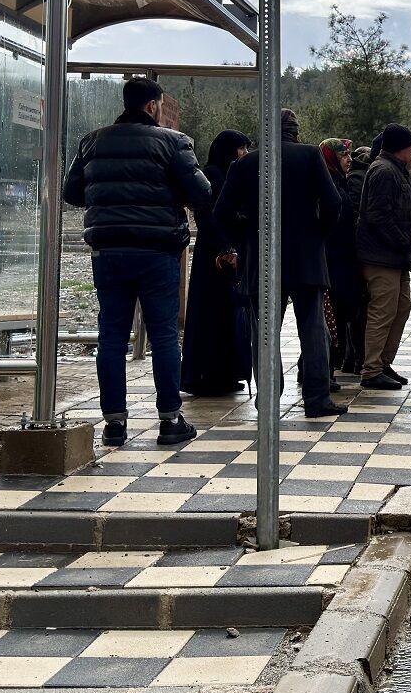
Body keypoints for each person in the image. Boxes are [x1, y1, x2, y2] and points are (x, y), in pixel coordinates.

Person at [61, 78, 212, 448]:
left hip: (108, 252)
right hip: (157, 251)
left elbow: (72, 193)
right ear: (151, 106)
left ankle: (114, 425)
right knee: (163, 335)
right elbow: (202, 193)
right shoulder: (173, 142)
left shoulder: (92, 141)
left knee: (111, 336)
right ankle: (170, 421)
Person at [217, 109, 346, 418]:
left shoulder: (246, 163)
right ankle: (317, 399)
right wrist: (318, 235)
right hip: (305, 259)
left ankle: (269, 400)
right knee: (313, 330)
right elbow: (333, 202)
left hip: (260, 260)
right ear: (295, 131)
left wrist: (246, 238)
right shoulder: (310, 156)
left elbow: (221, 213)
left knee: (264, 334)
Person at [357, 124, 411, 390]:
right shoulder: (384, 171)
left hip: (394, 257)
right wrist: (402, 241)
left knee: (401, 308)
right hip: (381, 257)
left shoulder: (395, 171)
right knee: (382, 312)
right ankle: (372, 369)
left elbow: (404, 204)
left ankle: (383, 363)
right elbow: (378, 216)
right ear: (401, 147)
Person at [181, 130, 252, 397]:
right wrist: (226, 247)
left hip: (223, 253)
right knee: (212, 315)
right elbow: (209, 216)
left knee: (226, 315)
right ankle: (207, 375)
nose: (243, 154)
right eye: (241, 148)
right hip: (215, 255)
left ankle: (224, 373)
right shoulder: (213, 174)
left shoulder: (227, 174)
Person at [320, 138, 367, 377]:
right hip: (332, 260)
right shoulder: (325, 183)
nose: (349, 160)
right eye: (343, 155)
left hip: (343, 259)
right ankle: (319, 370)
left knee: (339, 315)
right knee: (331, 318)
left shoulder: (339, 180)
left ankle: (326, 370)